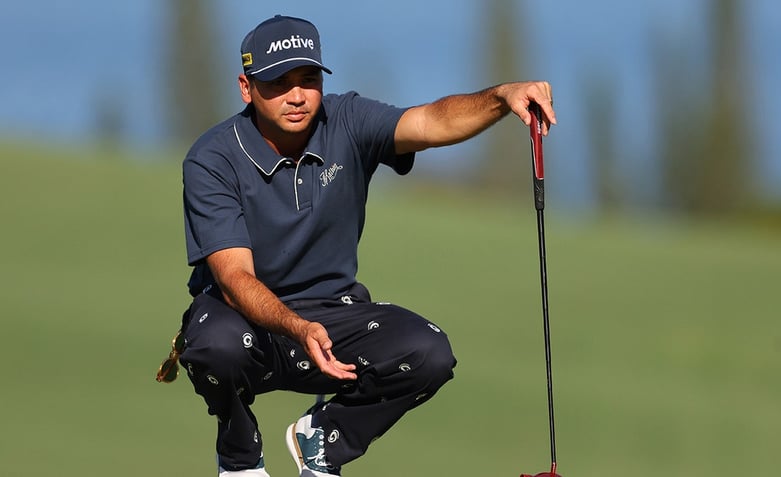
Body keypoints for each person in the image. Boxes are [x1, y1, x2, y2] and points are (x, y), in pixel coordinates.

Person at [160, 13, 556, 477]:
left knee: (428, 353)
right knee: (214, 344)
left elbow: (430, 122)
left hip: (334, 314)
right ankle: (240, 456)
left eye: (307, 79)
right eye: (277, 82)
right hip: (250, 322)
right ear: (247, 88)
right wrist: (298, 327)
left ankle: (323, 442)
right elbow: (233, 280)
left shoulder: (346, 118)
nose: (296, 96)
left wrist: (501, 96)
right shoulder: (212, 159)